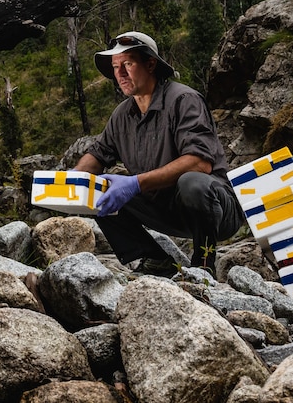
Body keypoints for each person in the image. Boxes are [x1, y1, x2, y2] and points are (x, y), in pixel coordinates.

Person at [73, 31, 243, 276]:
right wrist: (72, 181)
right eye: (115, 66)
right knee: (98, 191)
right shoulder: (122, 115)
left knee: (192, 182)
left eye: (128, 64)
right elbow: (98, 154)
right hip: (163, 209)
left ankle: (203, 266)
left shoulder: (184, 100)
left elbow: (199, 164)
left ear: (150, 64)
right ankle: (153, 259)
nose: (119, 73)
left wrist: (134, 183)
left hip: (214, 210)